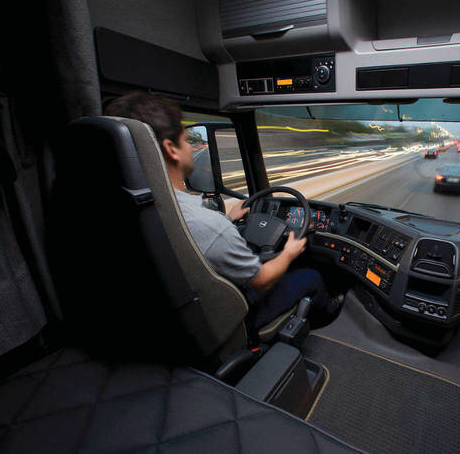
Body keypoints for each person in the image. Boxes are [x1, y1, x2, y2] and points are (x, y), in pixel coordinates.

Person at [104, 92, 341, 329]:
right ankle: (331, 315)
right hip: (228, 321)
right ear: (171, 149)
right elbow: (260, 280)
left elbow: (188, 240)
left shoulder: (125, 210)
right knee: (311, 276)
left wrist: (227, 220)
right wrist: (289, 253)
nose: (191, 147)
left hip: (173, 322)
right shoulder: (204, 224)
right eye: (187, 141)